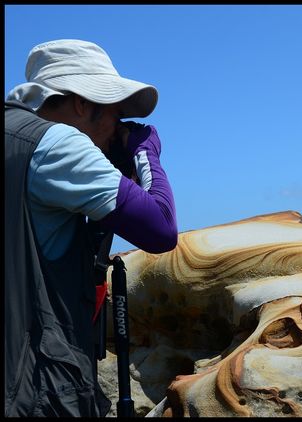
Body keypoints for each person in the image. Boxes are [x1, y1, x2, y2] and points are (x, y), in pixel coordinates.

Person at [5, 39, 178, 417]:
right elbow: (161, 229)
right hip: (32, 390)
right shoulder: (56, 143)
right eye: (115, 116)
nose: (118, 130)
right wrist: (145, 153)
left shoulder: (14, 139)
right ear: (83, 103)